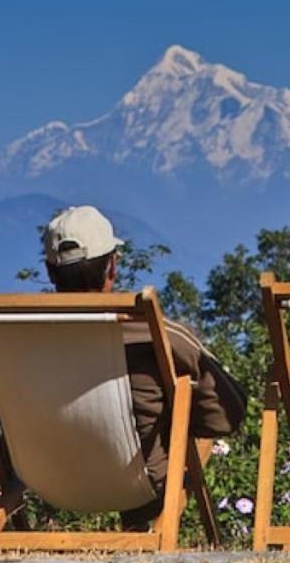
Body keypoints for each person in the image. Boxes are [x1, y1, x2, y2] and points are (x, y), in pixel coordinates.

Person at [42, 205, 247, 530]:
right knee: (166, 426)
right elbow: (227, 412)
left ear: (50, 272)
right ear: (112, 267)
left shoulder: (1, 339)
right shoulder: (156, 334)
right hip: (140, 480)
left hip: (45, 478)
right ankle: (144, 530)